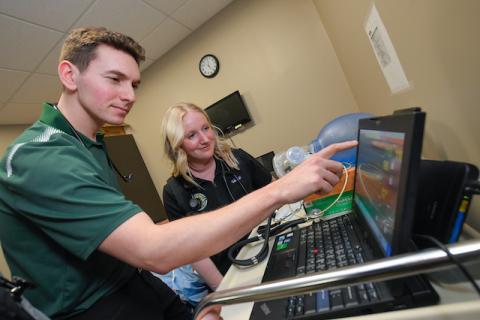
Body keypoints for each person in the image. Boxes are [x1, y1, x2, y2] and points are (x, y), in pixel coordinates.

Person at [0, 26, 357, 320]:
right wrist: (282, 189)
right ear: (69, 74)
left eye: (134, 84)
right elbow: (153, 249)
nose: (129, 95)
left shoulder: (89, 143)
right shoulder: (38, 155)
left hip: (137, 285)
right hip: (94, 309)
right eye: (115, 79)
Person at [155, 102, 273, 306]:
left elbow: (272, 194)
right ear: (177, 144)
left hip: (269, 252)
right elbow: (192, 252)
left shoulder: (238, 159)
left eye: (206, 128)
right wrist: (226, 293)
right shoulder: (174, 192)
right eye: (191, 135)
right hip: (229, 277)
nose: (204, 139)